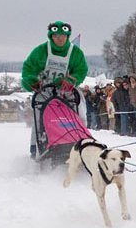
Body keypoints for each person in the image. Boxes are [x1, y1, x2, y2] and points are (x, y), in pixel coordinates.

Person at [21, 21, 87, 156]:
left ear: (67, 36)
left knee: (81, 115)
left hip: (67, 91)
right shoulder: (40, 51)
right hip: (44, 91)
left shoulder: (75, 52)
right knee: (38, 119)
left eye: (63, 35)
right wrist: (32, 81)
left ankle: (83, 144)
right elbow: (29, 69)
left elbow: (81, 70)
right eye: (56, 36)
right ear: (51, 36)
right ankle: (36, 149)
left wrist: (72, 80)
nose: (60, 39)